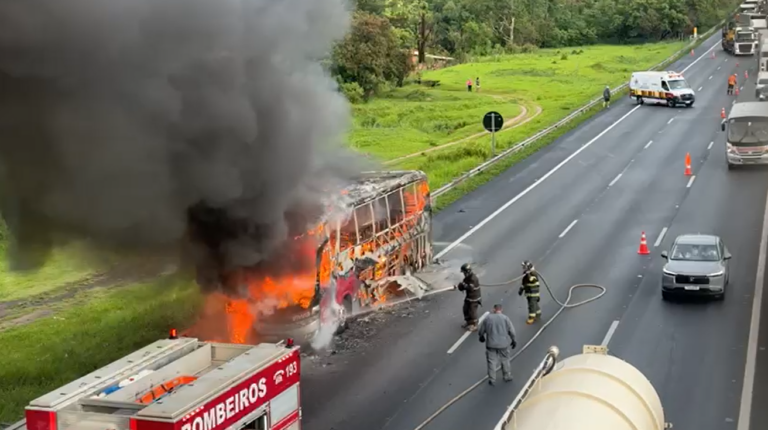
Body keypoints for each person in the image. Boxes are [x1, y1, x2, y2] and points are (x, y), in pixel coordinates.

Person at [478, 304, 517, 386]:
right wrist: (513, 340)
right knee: (505, 360)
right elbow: (512, 331)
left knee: (491, 361)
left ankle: (492, 379)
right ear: (501, 310)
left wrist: (481, 336)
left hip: (491, 344)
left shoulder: (488, 318)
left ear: (493, 309)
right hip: (503, 344)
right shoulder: (505, 318)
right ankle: (506, 376)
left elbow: (481, 330)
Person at [456, 263, 481, 330]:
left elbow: (470, 288)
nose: (463, 274)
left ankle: (474, 325)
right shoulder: (467, 278)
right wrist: (460, 286)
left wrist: (463, 285)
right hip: (469, 297)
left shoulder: (473, 278)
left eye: (464, 272)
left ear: (467, 271)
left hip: (474, 298)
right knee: (465, 309)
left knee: (472, 311)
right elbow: (463, 286)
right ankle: (469, 322)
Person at [518, 260, 541, 325]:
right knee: (534, 304)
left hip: (533, 293)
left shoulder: (533, 273)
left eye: (524, 267)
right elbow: (524, 282)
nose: (523, 268)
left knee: (531, 305)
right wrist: (521, 289)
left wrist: (528, 273)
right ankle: (538, 313)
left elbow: (531, 280)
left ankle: (531, 317)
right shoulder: (526, 274)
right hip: (529, 292)